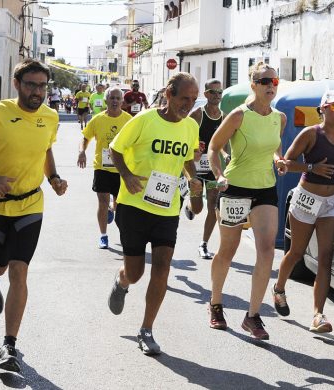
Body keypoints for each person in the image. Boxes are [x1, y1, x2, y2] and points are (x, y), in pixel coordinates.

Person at [0, 59, 68, 372]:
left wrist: (54, 177)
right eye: (31, 84)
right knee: (2, 266)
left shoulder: (50, 116)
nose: (37, 91)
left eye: (42, 85)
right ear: (17, 84)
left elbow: (46, 148)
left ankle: (9, 346)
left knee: (20, 270)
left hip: (31, 204)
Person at [107, 72, 202, 355]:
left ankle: (146, 329)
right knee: (136, 273)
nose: (189, 104)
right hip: (134, 205)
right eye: (185, 98)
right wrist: (126, 175)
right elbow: (115, 149)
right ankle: (122, 280)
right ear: (169, 94)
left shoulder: (190, 127)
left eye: (193, 99)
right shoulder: (143, 120)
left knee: (162, 267)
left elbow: (187, 159)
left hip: (166, 208)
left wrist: (194, 182)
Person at [273, 89, 334, 333]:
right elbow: (285, 163)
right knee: (297, 252)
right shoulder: (310, 134)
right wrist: (312, 167)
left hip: (332, 200)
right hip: (307, 197)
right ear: (322, 108)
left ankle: (318, 315)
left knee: (326, 256)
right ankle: (279, 288)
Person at [207, 63, 287, 339]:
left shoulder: (280, 117)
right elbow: (214, 147)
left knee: (266, 250)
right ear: (253, 83)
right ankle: (216, 304)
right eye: (264, 80)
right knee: (227, 250)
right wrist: (218, 174)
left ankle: (253, 317)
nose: (270, 85)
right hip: (235, 187)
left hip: (265, 189)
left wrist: (279, 160)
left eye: (274, 80)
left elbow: (275, 146)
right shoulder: (239, 116)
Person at [77, 87, 132, 249]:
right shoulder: (98, 119)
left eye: (118, 98)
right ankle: (103, 235)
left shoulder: (129, 120)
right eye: (112, 98)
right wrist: (82, 152)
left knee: (119, 205)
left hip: (122, 168)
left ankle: (113, 210)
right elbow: (85, 137)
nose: (115, 101)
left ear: (122, 102)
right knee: (102, 201)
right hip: (102, 167)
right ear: (106, 100)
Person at [185, 78, 227, 260]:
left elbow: (221, 144)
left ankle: (203, 244)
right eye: (213, 92)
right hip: (194, 168)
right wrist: (193, 151)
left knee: (213, 205)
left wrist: (225, 155)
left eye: (219, 92)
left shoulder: (224, 117)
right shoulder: (197, 115)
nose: (216, 96)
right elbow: (184, 137)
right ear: (206, 94)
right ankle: (190, 207)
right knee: (198, 208)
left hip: (212, 169)